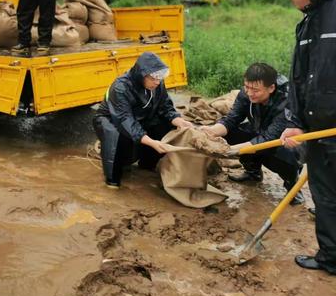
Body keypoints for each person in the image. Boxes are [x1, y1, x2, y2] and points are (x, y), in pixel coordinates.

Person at [281, 0, 336, 276]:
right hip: (317, 130)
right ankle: (330, 258)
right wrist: (294, 122)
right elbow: (299, 78)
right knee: (325, 197)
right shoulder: (308, 22)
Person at [202, 62, 304, 204]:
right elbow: (232, 119)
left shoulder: (286, 100)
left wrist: (228, 150)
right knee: (227, 133)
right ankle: (253, 172)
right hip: (258, 129)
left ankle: (293, 187)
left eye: (255, 90)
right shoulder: (246, 93)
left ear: (271, 88)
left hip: (279, 139)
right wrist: (212, 131)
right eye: (247, 87)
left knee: (289, 152)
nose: (250, 93)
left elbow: (268, 138)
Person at [93, 52, 192, 188]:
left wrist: (177, 120)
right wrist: (151, 142)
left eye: (159, 78)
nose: (157, 82)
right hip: (112, 119)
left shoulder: (157, 83)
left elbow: (165, 107)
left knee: (164, 125)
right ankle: (113, 180)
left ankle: (147, 165)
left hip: (140, 116)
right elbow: (125, 120)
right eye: (153, 79)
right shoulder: (120, 87)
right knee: (117, 137)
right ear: (141, 75)